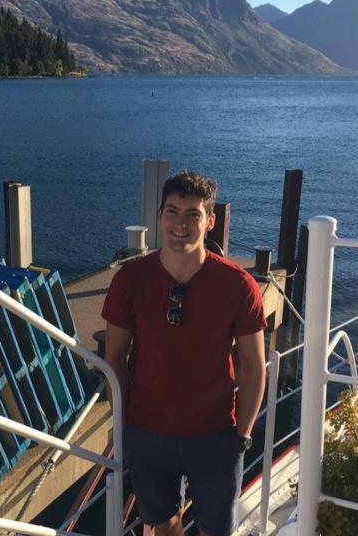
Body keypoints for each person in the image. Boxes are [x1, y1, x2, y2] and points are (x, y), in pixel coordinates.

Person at [102, 170, 266, 536]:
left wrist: (242, 436)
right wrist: (121, 423)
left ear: (210, 221)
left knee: (215, 528)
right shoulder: (130, 280)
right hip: (147, 431)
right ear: (159, 216)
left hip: (216, 436)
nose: (181, 223)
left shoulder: (238, 285)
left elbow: (254, 367)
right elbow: (115, 358)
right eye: (172, 211)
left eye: (193, 214)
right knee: (161, 522)